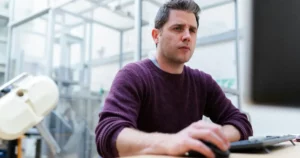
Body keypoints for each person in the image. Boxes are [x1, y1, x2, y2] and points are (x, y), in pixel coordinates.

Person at [95, 0, 253, 158]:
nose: (187, 36)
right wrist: (171, 142)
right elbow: (109, 134)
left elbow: (240, 121)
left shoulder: (202, 82)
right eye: (178, 28)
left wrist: (208, 139)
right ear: (156, 36)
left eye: (192, 30)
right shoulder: (133, 75)